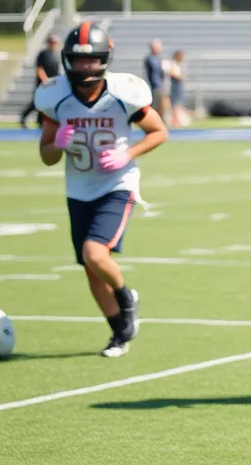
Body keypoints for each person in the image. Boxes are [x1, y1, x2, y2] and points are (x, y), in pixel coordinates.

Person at [36, 22, 168, 357]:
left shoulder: (123, 93)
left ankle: (125, 297)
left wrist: (128, 152)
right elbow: (47, 156)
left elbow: (159, 132)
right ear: (67, 61)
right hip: (78, 188)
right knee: (91, 269)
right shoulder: (56, 96)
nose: (85, 67)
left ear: (104, 60)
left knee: (95, 253)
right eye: (79, 61)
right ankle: (119, 333)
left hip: (117, 185)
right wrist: (58, 144)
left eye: (92, 60)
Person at [20, 35, 62, 128]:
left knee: (47, 103)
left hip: (52, 84)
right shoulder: (43, 54)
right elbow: (40, 69)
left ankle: (40, 121)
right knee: (37, 102)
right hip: (43, 83)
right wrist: (45, 81)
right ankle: (24, 117)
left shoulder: (54, 55)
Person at [144, 40, 167, 121]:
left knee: (161, 104)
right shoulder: (150, 58)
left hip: (160, 84)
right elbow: (156, 69)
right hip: (155, 85)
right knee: (155, 104)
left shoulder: (158, 58)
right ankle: (151, 120)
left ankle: (160, 120)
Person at [168, 50, 190, 127]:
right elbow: (173, 74)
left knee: (178, 104)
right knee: (175, 104)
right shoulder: (173, 64)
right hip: (175, 86)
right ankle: (175, 121)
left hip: (179, 86)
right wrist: (181, 77)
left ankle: (176, 121)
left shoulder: (180, 64)